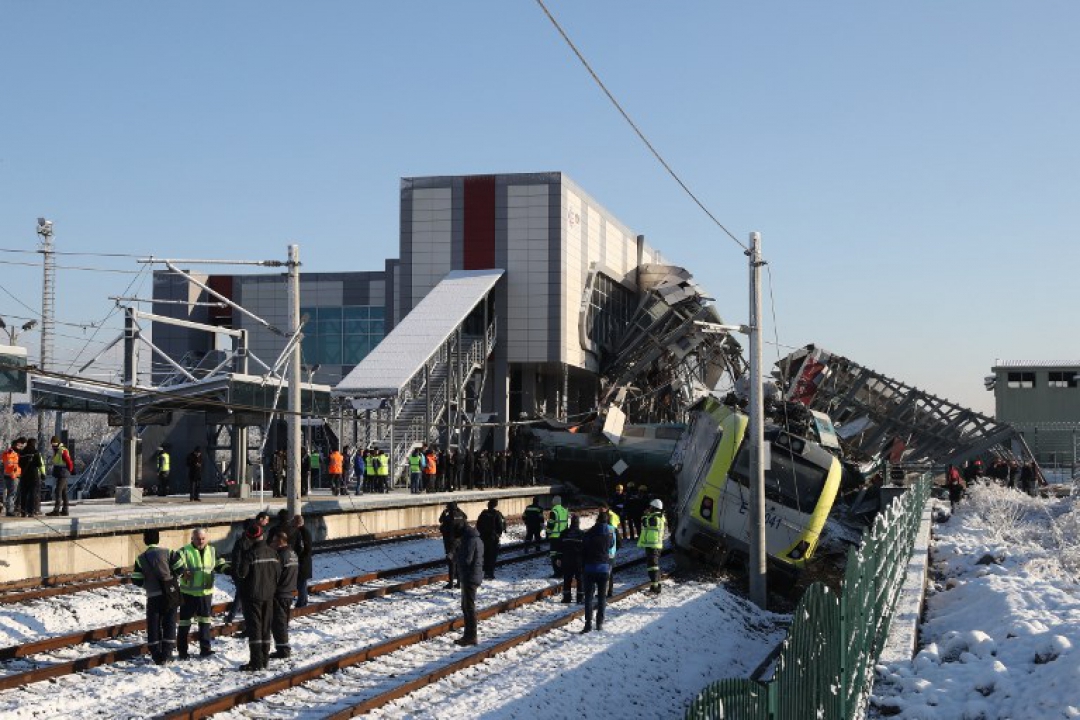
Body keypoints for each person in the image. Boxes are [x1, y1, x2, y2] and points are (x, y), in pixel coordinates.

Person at [132, 528, 185, 665]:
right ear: (158, 539)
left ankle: (156, 654)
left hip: (153, 596)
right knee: (169, 622)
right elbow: (180, 568)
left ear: (144, 540)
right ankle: (167, 654)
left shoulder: (140, 559)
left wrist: (148, 584)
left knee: (154, 624)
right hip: (170, 594)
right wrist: (171, 577)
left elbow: (136, 580)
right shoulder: (168, 552)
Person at [176, 527, 228, 659]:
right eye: (198, 539)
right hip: (188, 593)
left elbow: (219, 563)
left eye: (203, 538)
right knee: (184, 623)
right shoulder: (184, 551)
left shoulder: (212, 550)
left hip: (205, 593)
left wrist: (229, 570)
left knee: (205, 622)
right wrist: (182, 571)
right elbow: (175, 564)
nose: (201, 541)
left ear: (207, 538)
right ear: (192, 539)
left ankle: (205, 649)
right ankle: (182, 651)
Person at [235, 522, 281, 671]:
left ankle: (256, 662)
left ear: (249, 537)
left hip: (252, 597)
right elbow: (278, 573)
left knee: (255, 628)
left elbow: (242, 573)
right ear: (263, 535)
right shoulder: (273, 553)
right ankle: (264, 660)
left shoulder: (249, 554)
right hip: (269, 595)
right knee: (266, 628)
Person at [581, 511, 616, 633]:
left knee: (588, 598)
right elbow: (611, 546)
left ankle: (588, 625)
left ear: (597, 520)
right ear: (607, 521)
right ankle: (599, 623)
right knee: (602, 597)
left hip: (589, 568)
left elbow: (583, 549)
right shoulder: (609, 534)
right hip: (603, 568)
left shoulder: (588, 533)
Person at [454, 519, 484, 646]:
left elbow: (467, 559)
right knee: (466, 606)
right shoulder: (475, 538)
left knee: (468, 608)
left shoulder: (470, 540)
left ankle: (471, 636)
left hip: (470, 577)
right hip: (472, 576)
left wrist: (456, 553)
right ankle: (468, 635)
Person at [270, 530, 298, 659]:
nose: (271, 544)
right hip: (289, 591)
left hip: (280, 592)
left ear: (280, 542)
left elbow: (274, 574)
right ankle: (283, 647)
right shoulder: (292, 553)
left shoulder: (280, 555)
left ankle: (283, 650)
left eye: (273, 541)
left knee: (278, 623)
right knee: (283, 622)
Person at [638, 498, 666, 594]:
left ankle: (655, 588)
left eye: (651, 507)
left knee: (653, 567)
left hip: (653, 545)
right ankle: (656, 586)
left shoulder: (655, 518)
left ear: (654, 508)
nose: (649, 508)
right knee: (653, 567)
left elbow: (645, 523)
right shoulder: (657, 517)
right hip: (653, 545)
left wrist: (644, 515)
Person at [439, 501, 468, 589]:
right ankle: (459, 583)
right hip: (461, 542)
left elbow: (441, 524)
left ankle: (451, 583)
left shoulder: (448, 517)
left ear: (449, 508)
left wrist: (444, 513)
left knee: (451, 563)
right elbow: (466, 517)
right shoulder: (461, 515)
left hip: (451, 543)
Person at [476, 499, 506, 580]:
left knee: (484, 555)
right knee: (492, 557)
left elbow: (478, 525)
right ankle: (490, 574)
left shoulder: (483, 513)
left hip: (483, 538)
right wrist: (498, 535)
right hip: (492, 539)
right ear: (495, 505)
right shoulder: (497, 514)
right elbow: (500, 527)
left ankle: (484, 572)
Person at [46, 436, 74, 516]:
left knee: (58, 490)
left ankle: (56, 510)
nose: (52, 445)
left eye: (53, 443)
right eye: (52, 443)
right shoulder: (57, 450)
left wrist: (69, 470)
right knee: (64, 492)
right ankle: (65, 510)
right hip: (61, 473)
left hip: (63, 473)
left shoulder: (62, 450)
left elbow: (69, 462)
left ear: (57, 442)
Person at [560, 515, 584, 604]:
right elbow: (585, 548)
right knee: (580, 579)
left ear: (571, 522)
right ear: (578, 523)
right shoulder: (582, 534)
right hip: (578, 560)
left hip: (566, 559)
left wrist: (559, 558)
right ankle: (580, 598)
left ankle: (566, 598)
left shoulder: (564, 533)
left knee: (567, 579)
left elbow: (559, 547)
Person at [18, 438, 45, 517]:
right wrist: (42, 474)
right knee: (32, 494)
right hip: (33, 475)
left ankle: (23, 511)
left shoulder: (22, 452)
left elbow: (19, 464)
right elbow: (39, 464)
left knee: (24, 493)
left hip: (24, 475)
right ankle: (31, 511)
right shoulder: (36, 452)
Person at [291, 514, 314, 607]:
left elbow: (303, 548)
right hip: (305, 561)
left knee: (301, 583)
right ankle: (303, 600)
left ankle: (301, 602)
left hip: (302, 562)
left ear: (296, 523)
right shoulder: (305, 531)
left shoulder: (300, 533)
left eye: (293, 522)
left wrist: (298, 557)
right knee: (302, 583)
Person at [545, 495, 570, 578]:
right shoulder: (565, 511)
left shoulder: (554, 511)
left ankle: (557, 573)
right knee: (562, 555)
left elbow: (551, 525)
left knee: (554, 555)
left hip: (555, 537)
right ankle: (562, 571)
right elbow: (566, 525)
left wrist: (547, 533)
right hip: (563, 537)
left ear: (554, 502)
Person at [2, 438, 23, 517]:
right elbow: (11, 464)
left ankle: (10, 509)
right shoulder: (11, 453)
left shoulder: (7, 453)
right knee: (12, 494)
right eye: (19, 446)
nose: (20, 447)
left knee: (11, 494)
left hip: (10, 475)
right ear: (15, 445)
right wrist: (15, 469)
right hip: (13, 475)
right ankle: (10, 510)